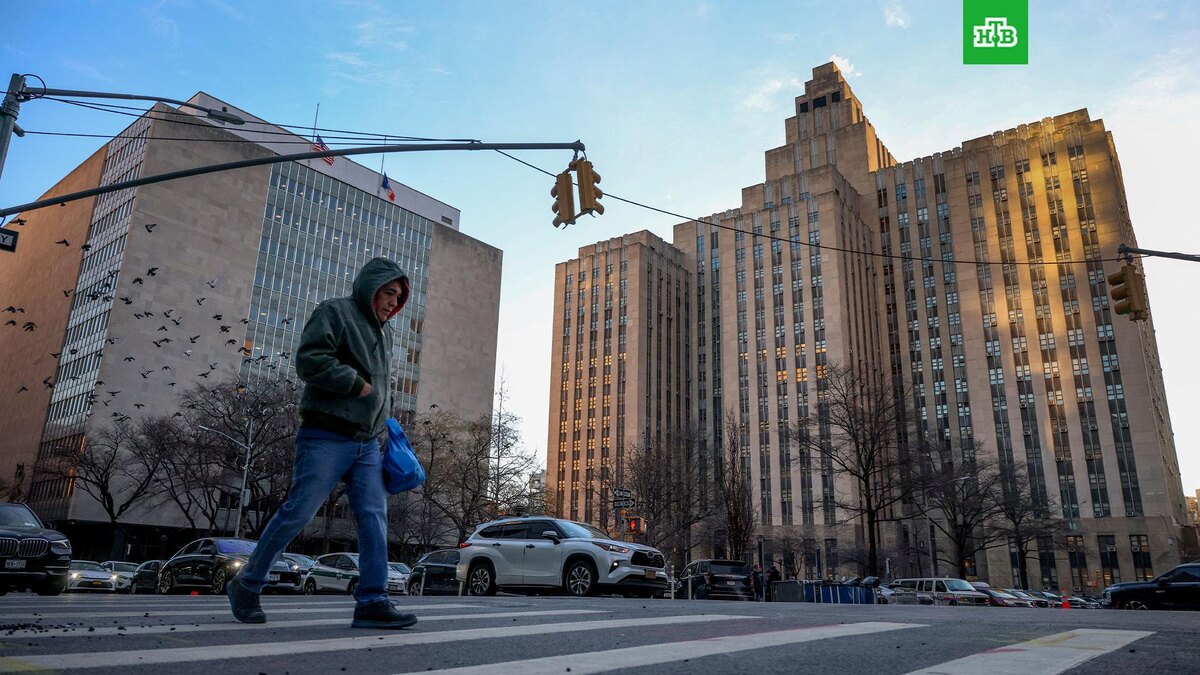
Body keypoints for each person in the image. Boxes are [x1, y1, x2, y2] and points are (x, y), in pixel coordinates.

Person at [226, 257, 415, 629]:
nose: (393, 302)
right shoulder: (336, 312)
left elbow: (381, 387)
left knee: (374, 520)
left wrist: (385, 420)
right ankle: (247, 584)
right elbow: (310, 361)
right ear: (371, 287)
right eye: (388, 292)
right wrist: (354, 384)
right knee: (298, 511)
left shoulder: (386, 332)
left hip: (367, 443)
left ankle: (373, 602)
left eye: (399, 296)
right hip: (326, 435)